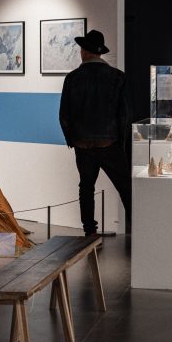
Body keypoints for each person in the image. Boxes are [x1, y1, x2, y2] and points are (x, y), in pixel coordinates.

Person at [58, 29, 132, 236]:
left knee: (86, 187)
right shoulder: (117, 77)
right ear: (100, 52)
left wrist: (72, 140)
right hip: (109, 143)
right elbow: (125, 115)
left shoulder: (72, 78)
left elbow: (64, 115)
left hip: (82, 144)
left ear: (84, 51)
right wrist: (121, 143)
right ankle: (138, 229)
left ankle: (89, 232)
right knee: (126, 187)